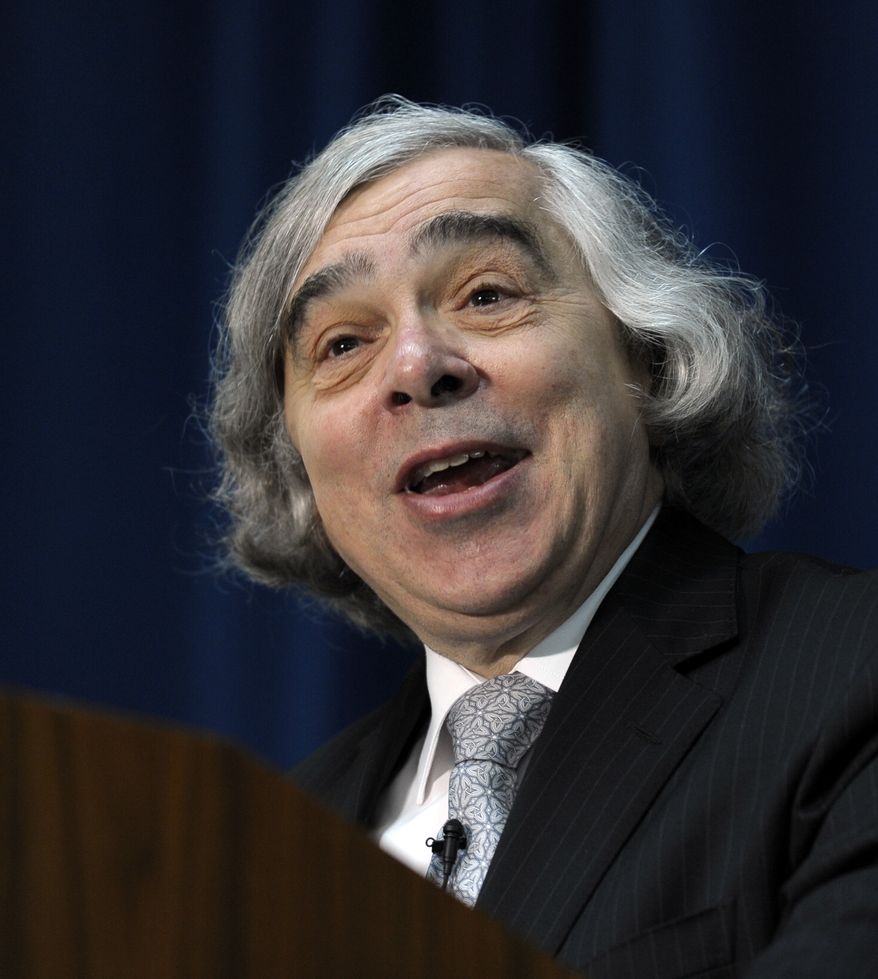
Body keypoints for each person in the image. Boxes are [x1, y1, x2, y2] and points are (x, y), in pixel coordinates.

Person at [210, 97, 878, 977]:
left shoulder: (852, 670)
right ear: (297, 465)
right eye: (341, 345)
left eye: (487, 295)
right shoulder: (256, 859)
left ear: (646, 355)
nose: (415, 366)